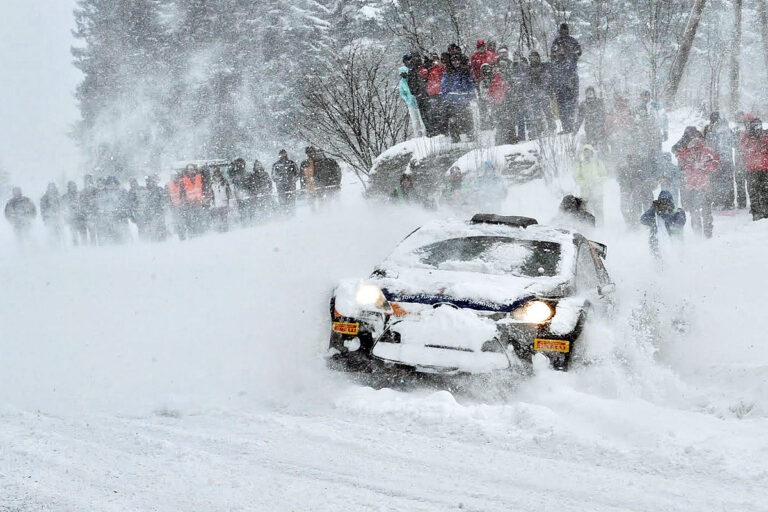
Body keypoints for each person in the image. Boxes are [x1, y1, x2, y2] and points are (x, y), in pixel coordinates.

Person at [672, 126, 721, 237]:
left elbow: (716, 163)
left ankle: (707, 234)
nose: (695, 148)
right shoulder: (686, 152)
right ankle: (698, 234)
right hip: (692, 186)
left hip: (703, 186)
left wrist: (704, 166)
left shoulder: (707, 151)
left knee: (705, 212)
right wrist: (691, 165)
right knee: (695, 212)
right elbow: (679, 159)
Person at [550, 23, 581, 133]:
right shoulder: (557, 42)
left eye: (565, 30)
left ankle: (570, 126)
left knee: (570, 105)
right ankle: (566, 127)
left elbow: (579, 52)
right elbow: (552, 57)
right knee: (563, 106)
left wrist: (571, 56)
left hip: (570, 79)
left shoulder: (571, 41)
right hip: (561, 81)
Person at [703, 111, 737, 209]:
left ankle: (727, 202)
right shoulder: (711, 131)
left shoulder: (722, 131)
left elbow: (734, 143)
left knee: (724, 181)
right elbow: (707, 144)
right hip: (718, 160)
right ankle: (720, 201)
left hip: (723, 160)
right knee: (717, 181)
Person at [640, 190, 686, 259]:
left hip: (675, 244)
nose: (664, 205)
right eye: (662, 202)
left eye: (667, 202)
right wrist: (653, 209)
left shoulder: (678, 211)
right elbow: (643, 219)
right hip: (657, 242)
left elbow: (678, 223)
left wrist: (664, 215)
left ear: (671, 202)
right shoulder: (655, 210)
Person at [738, 115, 768, 220]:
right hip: (752, 170)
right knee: (754, 193)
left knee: (765, 192)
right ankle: (756, 215)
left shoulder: (765, 137)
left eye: (759, 126)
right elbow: (742, 153)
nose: (757, 128)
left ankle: (765, 213)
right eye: (755, 126)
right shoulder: (746, 138)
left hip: (764, 170)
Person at [441, 53, 476, 143]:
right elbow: (444, 86)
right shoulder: (447, 72)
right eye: (453, 60)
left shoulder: (465, 71)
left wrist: (471, 95)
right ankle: (455, 138)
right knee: (453, 120)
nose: (455, 62)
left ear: (460, 60)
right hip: (452, 100)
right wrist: (446, 98)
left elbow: (471, 84)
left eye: (457, 60)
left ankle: (471, 135)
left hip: (464, 98)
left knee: (468, 117)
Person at [617, 152, 654, 228]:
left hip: (635, 192)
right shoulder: (623, 169)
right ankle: (630, 224)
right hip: (626, 191)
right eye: (629, 159)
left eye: (632, 159)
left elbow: (642, 181)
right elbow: (619, 179)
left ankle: (635, 224)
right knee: (624, 208)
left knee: (634, 208)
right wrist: (624, 185)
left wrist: (637, 186)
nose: (631, 161)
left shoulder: (639, 169)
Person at [573, 144, 608, 224]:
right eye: (585, 152)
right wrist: (585, 184)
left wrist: (599, 180)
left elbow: (604, 175)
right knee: (587, 213)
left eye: (588, 152)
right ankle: (589, 230)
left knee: (599, 213)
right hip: (585, 195)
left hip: (598, 194)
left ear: (592, 153)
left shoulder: (597, 163)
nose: (586, 154)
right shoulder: (580, 164)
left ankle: (600, 229)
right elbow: (576, 178)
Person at [526, 51, 554, 137]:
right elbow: (526, 82)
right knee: (536, 114)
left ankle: (552, 128)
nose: (534, 59)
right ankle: (539, 130)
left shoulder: (544, 66)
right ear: (530, 59)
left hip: (544, 93)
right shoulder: (528, 69)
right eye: (532, 57)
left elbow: (549, 79)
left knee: (548, 112)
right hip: (534, 95)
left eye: (535, 57)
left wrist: (546, 88)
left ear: (538, 58)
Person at [403, 53, 431, 136]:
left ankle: (431, 131)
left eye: (409, 59)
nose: (408, 62)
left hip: (424, 94)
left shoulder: (418, 68)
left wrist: (420, 92)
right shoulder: (411, 71)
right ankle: (429, 131)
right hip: (420, 95)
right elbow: (412, 84)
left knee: (427, 113)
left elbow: (421, 80)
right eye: (406, 61)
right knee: (424, 114)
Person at [399, 64, 426, 138]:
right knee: (415, 121)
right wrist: (407, 99)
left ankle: (425, 134)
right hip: (411, 104)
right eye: (402, 74)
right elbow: (402, 93)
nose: (404, 75)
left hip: (418, 101)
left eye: (405, 73)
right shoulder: (401, 83)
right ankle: (417, 136)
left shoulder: (413, 78)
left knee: (421, 119)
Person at [423, 53, 447, 135]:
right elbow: (422, 75)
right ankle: (435, 130)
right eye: (433, 59)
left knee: (442, 111)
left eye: (436, 59)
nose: (435, 61)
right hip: (432, 93)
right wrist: (427, 67)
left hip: (440, 92)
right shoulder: (428, 69)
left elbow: (444, 71)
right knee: (433, 112)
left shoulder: (440, 68)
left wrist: (440, 65)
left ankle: (443, 130)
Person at [179, 164, 205, 236]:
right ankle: (193, 234)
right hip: (189, 204)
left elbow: (203, 188)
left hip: (199, 203)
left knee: (200, 219)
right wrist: (185, 202)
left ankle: (201, 233)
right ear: (186, 170)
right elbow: (181, 193)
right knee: (191, 220)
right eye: (189, 169)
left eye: (192, 169)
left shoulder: (199, 177)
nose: (191, 171)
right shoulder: (183, 180)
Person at [272, 149, 299, 214]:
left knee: (291, 201)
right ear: (279, 155)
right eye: (281, 154)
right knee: (282, 202)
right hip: (280, 186)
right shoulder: (276, 164)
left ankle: (292, 215)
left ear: (286, 154)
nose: (282, 155)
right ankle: (284, 215)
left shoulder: (291, 163)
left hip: (291, 185)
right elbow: (273, 175)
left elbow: (297, 173)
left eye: (284, 154)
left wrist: (293, 180)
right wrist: (278, 180)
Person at [61, 181, 87, 245]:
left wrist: (84, 213)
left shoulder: (80, 194)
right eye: (71, 186)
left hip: (81, 217)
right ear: (69, 187)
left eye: (74, 186)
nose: (73, 187)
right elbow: (63, 208)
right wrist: (65, 217)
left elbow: (85, 204)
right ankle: (76, 249)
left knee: (83, 234)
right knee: (74, 235)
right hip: (72, 218)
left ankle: (86, 247)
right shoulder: (65, 196)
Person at [144, 174, 168, 241]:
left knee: (161, 227)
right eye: (149, 181)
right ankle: (153, 242)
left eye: (152, 181)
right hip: (149, 215)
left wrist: (160, 207)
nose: (150, 183)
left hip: (158, 212)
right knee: (151, 229)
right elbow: (143, 202)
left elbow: (164, 200)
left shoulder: (159, 189)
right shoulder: (145, 191)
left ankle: (163, 241)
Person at [210, 166, 232, 232]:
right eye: (215, 172)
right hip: (217, 203)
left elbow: (229, 192)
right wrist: (212, 202)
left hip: (224, 202)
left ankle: (226, 230)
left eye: (218, 172)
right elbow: (211, 194)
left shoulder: (224, 181)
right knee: (218, 218)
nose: (217, 173)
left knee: (225, 218)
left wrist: (229, 201)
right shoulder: (211, 182)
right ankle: (219, 230)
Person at [80, 174, 99, 244]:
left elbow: (100, 201)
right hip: (88, 215)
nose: (88, 183)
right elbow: (81, 204)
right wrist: (86, 211)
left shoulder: (96, 191)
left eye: (90, 181)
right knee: (91, 231)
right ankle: (91, 247)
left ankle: (103, 246)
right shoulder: (82, 192)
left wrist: (96, 209)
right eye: (86, 181)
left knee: (100, 231)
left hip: (97, 214)